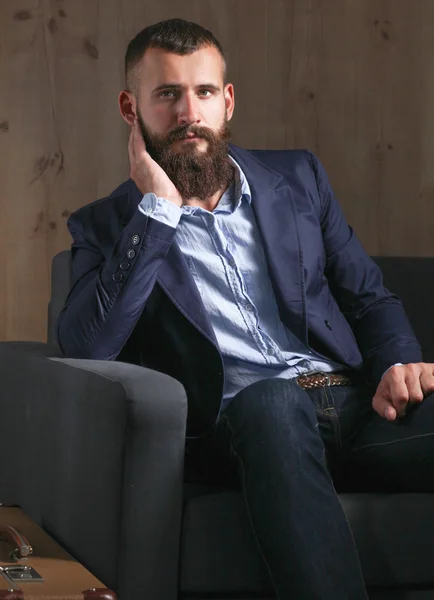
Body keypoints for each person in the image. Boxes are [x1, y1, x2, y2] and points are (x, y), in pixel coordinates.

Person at [57, 17, 434, 599]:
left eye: (204, 92)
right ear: (131, 109)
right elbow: (86, 345)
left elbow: (367, 295)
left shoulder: (299, 177)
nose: (189, 113)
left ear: (226, 101)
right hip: (242, 425)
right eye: (167, 95)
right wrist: (157, 212)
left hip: (351, 403)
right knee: (275, 402)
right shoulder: (107, 226)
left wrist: (397, 362)